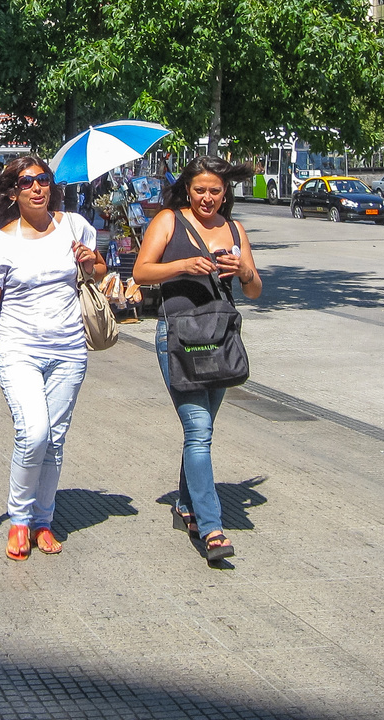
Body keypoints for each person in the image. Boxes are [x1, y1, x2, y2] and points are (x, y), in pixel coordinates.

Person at [0, 156, 105, 561]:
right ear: (13, 191)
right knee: (33, 433)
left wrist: (91, 263)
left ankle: (43, 521)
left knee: (54, 441)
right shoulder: (2, 241)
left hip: (69, 351)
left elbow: (101, 269)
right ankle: (19, 519)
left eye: (43, 180)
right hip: (20, 351)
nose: (37, 188)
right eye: (27, 182)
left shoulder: (74, 226)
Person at [133, 156, 262, 565]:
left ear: (226, 193)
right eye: (200, 190)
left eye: (216, 191)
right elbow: (141, 271)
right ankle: (212, 528)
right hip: (179, 335)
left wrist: (242, 269)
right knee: (199, 427)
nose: (208, 198)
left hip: (220, 336)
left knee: (200, 432)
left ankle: (186, 505)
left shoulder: (235, 229)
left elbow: (255, 290)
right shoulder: (169, 221)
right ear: (188, 189)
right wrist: (184, 265)